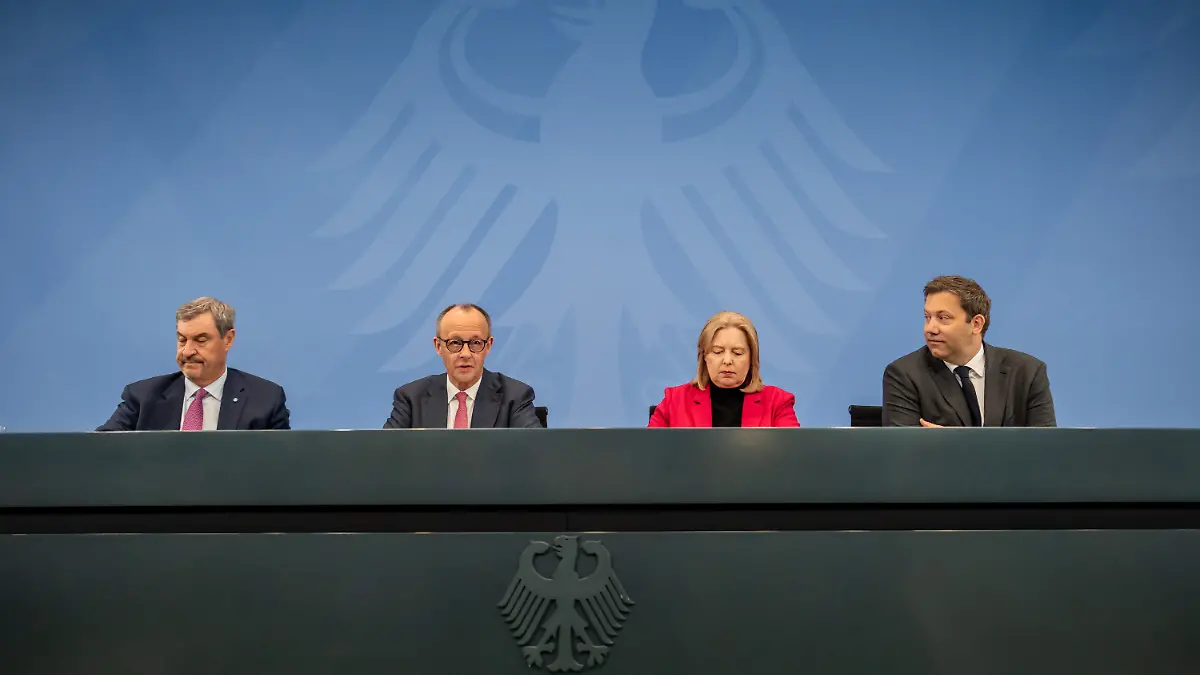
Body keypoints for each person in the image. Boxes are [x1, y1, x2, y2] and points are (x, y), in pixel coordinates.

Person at [882, 275, 1056, 427]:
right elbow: (906, 454)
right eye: (927, 317)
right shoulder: (904, 374)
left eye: (943, 318)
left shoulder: (1027, 372)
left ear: (976, 324)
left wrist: (953, 444)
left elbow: (1045, 450)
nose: (930, 328)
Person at [96, 297, 290, 431]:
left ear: (228, 339)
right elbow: (99, 451)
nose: (187, 351)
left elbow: (282, 470)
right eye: (182, 340)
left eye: (201, 340)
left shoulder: (265, 399)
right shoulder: (143, 397)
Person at [384, 303, 542, 429]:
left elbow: (535, 452)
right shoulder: (411, 398)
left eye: (475, 343)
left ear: (488, 346)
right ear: (438, 346)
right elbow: (383, 453)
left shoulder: (514, 396)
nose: (465, 354)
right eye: (455, 343)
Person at [648, 311, 800, 428]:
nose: (727, 361)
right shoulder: (674, 401)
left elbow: (793, 457)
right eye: (718, 352)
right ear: (704, 356)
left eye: (738, 353)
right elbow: (647, 454)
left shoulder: (777, 403)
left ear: (751, 358)